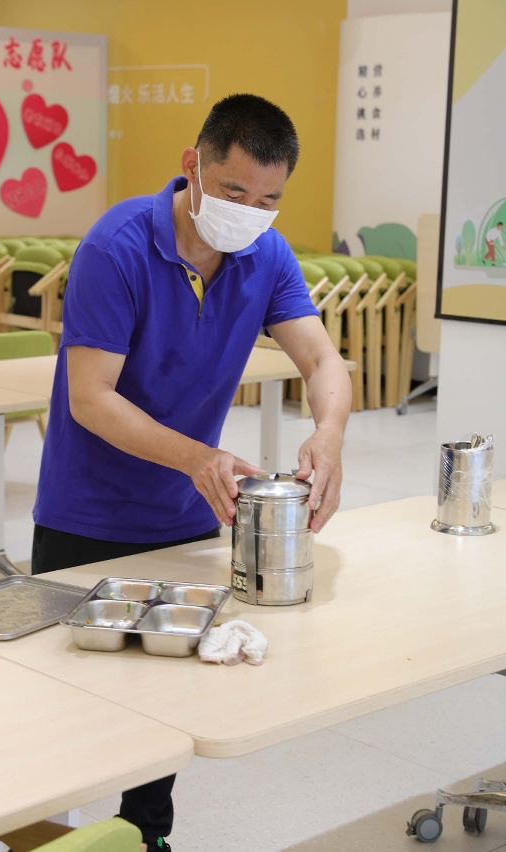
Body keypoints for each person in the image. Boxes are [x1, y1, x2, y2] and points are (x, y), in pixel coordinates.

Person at [32, 93, 352, 851]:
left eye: (268, 200)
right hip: (87, 516)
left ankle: (147, 839)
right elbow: (90, 398)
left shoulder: (265, 256)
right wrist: (197, 457)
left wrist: (330, 432)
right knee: (70, 708)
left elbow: (321, 358)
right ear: (193, 166)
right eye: (235, 192)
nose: (250, 213)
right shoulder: (117, 247)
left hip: (184, 520)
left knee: (166, 711)